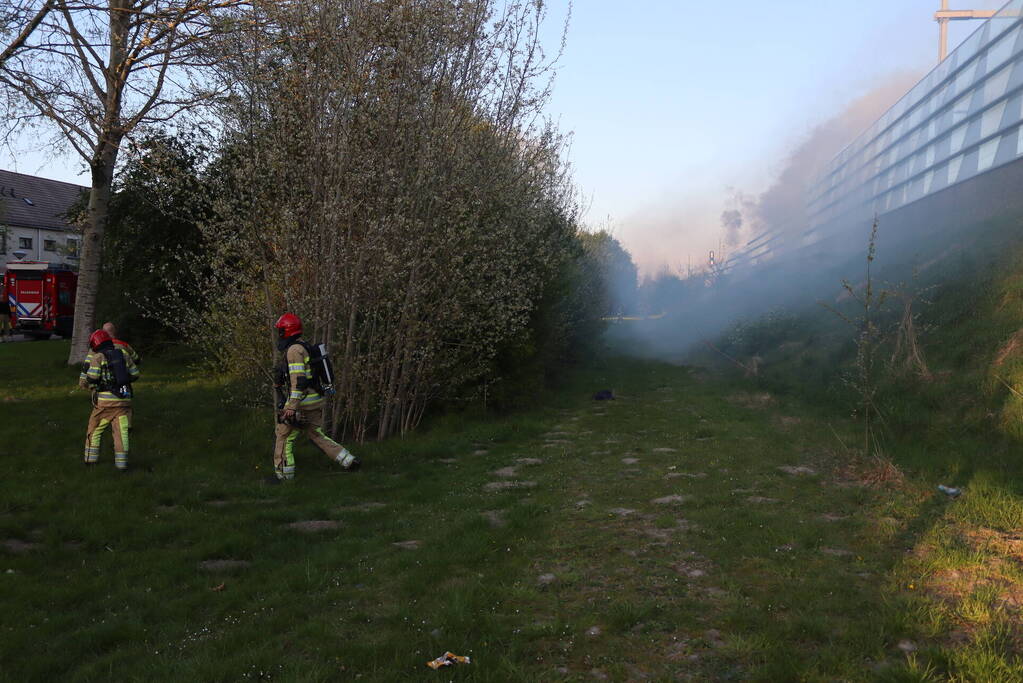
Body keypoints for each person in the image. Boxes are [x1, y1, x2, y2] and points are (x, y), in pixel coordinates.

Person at [270, 312, 359, 482]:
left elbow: (299, 381)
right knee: (316, 434)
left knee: (284, 436)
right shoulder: (304, 345)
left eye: (281, 331)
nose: (279, 334)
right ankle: (348, 460)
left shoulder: (294, 350)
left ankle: (284, 477)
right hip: (315, 399)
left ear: (287, 331)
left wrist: (291, 407)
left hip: (302, 402)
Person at [79, 329, 140, 471]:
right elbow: (135, 374)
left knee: (94, 430)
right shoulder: (123, 354)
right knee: (121, 434)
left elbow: (92, 378)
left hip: (105, 404)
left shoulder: (97, 357)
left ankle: (90, 461)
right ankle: (122, 465)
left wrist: (91, 384)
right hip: (124, 401)